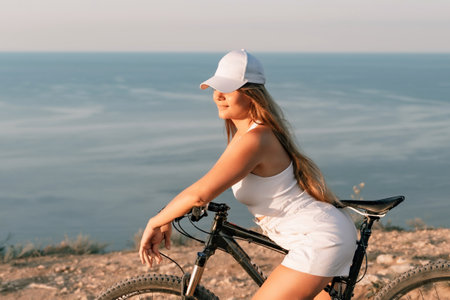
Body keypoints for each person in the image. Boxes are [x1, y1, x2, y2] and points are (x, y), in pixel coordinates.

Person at [139, 49, 357, 300]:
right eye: (215, 88)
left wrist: (155, 221)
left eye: (228, 89)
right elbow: (205, 186)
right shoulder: (247, 135)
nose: (218, 96)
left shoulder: (255, 139)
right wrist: (168, 215)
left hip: (319, 240)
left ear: (252, 94)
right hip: (317, 234)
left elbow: (200, 195)